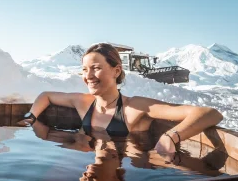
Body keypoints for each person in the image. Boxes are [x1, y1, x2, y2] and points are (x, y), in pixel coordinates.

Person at [22, 43, 223, 155]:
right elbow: (46, 95)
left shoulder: (134, 107)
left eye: (96, 68)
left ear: (116, 70)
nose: (88, 76)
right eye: (84, 70)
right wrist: (31, 117)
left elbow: (209, 113)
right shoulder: (83, 102)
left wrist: (170, 136)